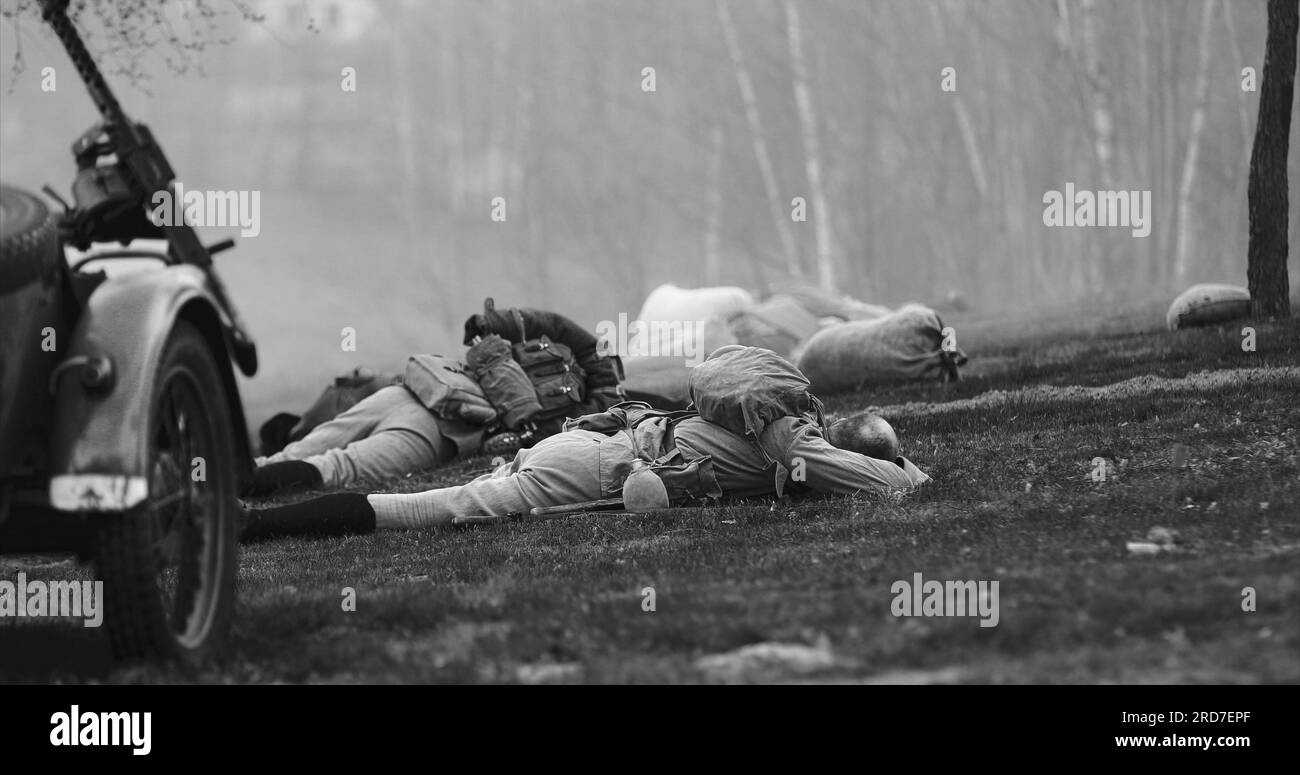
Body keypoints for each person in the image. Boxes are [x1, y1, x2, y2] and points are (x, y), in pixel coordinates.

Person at [240, 403, 929, 540]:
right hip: (602, 472)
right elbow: (887, 482)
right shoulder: (799, 451)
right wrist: (908, 470)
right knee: (433, 508)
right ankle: (250, 526)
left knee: (346, 458)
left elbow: (864, 459)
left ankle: (246, 508)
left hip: (591, 440)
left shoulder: (776, 414)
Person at [246, 305, 625, 495]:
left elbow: (563, 430)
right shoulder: (561, 341)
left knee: (336, 467)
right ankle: (227, 481)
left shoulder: (591, 407)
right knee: (304, 449)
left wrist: (527, 429)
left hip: (447, 430)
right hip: (418, 391)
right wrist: (491, 322)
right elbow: (548, 323)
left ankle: (236, 488)